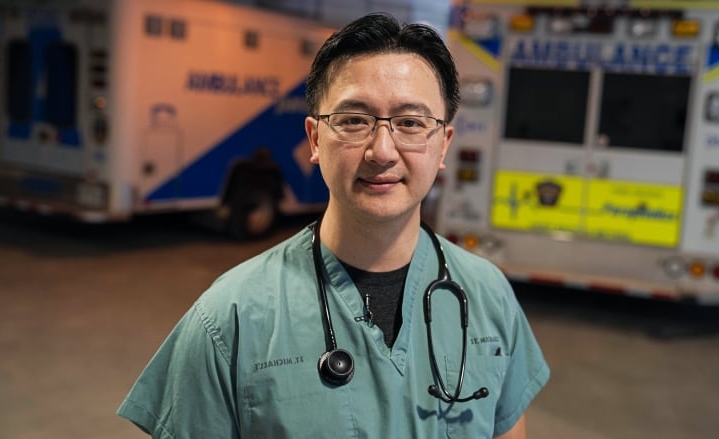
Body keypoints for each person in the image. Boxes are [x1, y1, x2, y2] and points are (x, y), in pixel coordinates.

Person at [117, 12, 549, 438]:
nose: (382, 150)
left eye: (411, 123)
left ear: (442, 146)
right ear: (315, 139)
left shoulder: (489, 297)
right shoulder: (229, 319)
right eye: (354, 120)